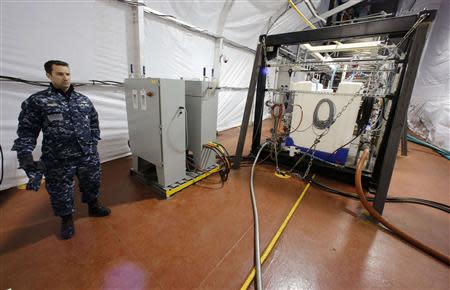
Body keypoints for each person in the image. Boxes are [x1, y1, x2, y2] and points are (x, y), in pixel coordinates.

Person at [12, 60, 111, 240]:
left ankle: (93, 206)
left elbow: (94, 122)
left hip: (86, 155)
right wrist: (25, 154)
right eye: (60, 74)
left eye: (67, 74)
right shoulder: (38, 101)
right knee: (60, 191)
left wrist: (93, 141)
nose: (65, 78)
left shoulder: (82, 100)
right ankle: (66, 219)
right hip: (57, 159)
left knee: (92, 183)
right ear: (49, 76)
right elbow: (27, 131)